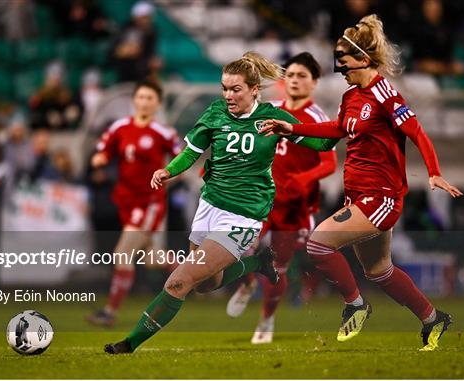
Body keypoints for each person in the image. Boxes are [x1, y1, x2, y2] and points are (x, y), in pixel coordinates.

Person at [103, 51, 338, 354]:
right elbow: (190, 153)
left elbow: (321, 144)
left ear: (254, 89)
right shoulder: (215, 113)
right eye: (225, 88)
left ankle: (128, 344)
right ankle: (256, 262)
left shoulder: (273, 117)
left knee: (178, 282)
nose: (228, 95)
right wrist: (167, 171)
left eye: (235, 89)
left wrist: (328, 128)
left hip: (243, 216)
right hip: (209, 206)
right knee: (204, 283)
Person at [259, 15, 463, 351]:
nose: (339, 65)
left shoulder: (385, 95)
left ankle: (355, 305)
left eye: (344, 58)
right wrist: (292, 128)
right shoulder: (352, 95)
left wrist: (434, 171)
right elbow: (338, 129)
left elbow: (417, 133)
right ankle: (432, 318)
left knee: (318, 244)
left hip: (381, 197)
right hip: (359, 196)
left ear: (363, 59)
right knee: (379, 270)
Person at [225, 52, 338, 344]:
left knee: (277, 268)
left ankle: (266, 319)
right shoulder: (269, 109)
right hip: (261, 198)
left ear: (314, 82)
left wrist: (302, 179)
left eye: (302, 76)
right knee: (233, 246)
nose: (295, 80)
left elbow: (329, 163)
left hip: (295, 207)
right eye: (291, 75)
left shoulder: (317, 118)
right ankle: (248, 282)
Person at [86, 80, 182, 326]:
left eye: (150, 98)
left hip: (149, 202)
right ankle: (198, 271)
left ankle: (110, 311)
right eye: (141, 97)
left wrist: (170, 176)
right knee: (153, 260)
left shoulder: (163, 132)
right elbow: (104, 150)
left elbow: (182, 159)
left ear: (157, 103)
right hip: (126, 202)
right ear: (134, 100)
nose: (144, 102)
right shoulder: (120, 127)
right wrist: (100, 159)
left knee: (122, 253)